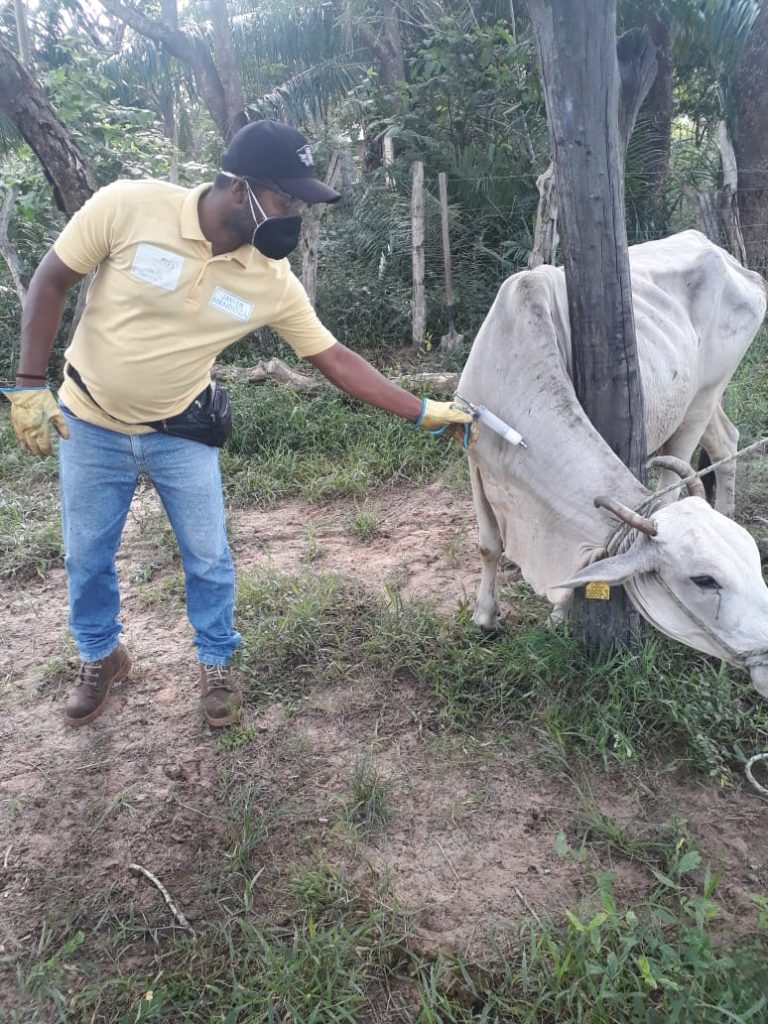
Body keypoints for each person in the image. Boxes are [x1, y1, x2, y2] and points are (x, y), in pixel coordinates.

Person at [1, 119, 472, 729]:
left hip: (181, 429)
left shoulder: (270, 281)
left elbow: (334, 359)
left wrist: (423, 410)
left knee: (207, 556)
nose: (292, 216)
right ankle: (101, 656)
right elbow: (52, 279)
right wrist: (30, 385)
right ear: (237, 187)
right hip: (90, 421)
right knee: (86, 555)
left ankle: (218, 663)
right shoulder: (127, 208)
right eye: (284, 199)